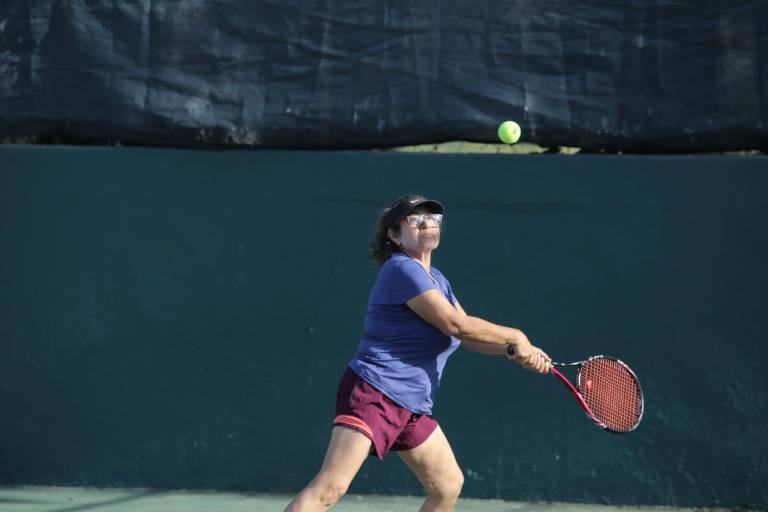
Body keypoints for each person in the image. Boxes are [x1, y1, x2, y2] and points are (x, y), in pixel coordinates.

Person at [285, 195, 551, 512]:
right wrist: (515, 336)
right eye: (415, 219)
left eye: (434, 218)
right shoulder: (400, 269)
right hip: (375, 393)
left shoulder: (438, 280)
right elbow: (457, 325)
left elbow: (467, 338)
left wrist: (514, 351)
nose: (428, 223)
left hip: (411, 405)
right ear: (394, 236)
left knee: (447, 485)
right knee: (329, 489)